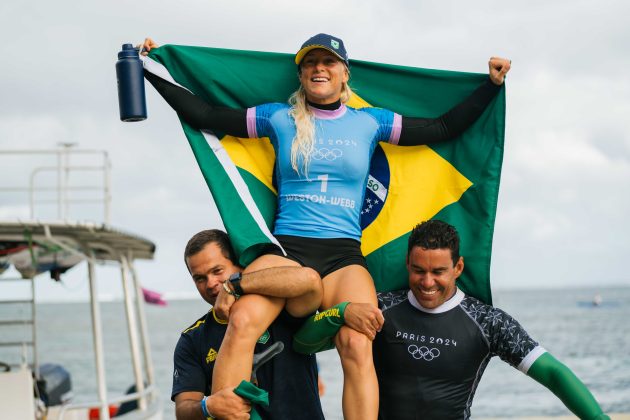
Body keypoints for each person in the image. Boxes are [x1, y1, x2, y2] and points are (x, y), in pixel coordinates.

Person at [142, 33, 511, 419]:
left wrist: (490, 86)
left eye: (329, 62)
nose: (320, 68)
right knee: (243, 319)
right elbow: (205, 115)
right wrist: (153, 69)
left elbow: (442, 128)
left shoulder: (370, 122)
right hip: (287, 251)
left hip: (342, 255)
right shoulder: (278, 118)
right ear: (301, 74)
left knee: (357, 340)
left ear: (344, 73)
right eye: (310, 63)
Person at [372, 220, 610, 419]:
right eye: (419, 270)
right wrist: (344, 311)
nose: (427, 282)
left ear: (458, 267)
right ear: (407, 264)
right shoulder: (379, 307)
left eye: (438, 272)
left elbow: (553, 374)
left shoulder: (488, 322)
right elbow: (333, 338)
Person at [174, 229, 325, 419]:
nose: (211, 283)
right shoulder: (192, 339)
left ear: (238, 263)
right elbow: (183, 410)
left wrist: (234, 285)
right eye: (200, 278)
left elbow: (310, 280)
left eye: (217, 271)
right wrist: (208, 406)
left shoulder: (281, 304)